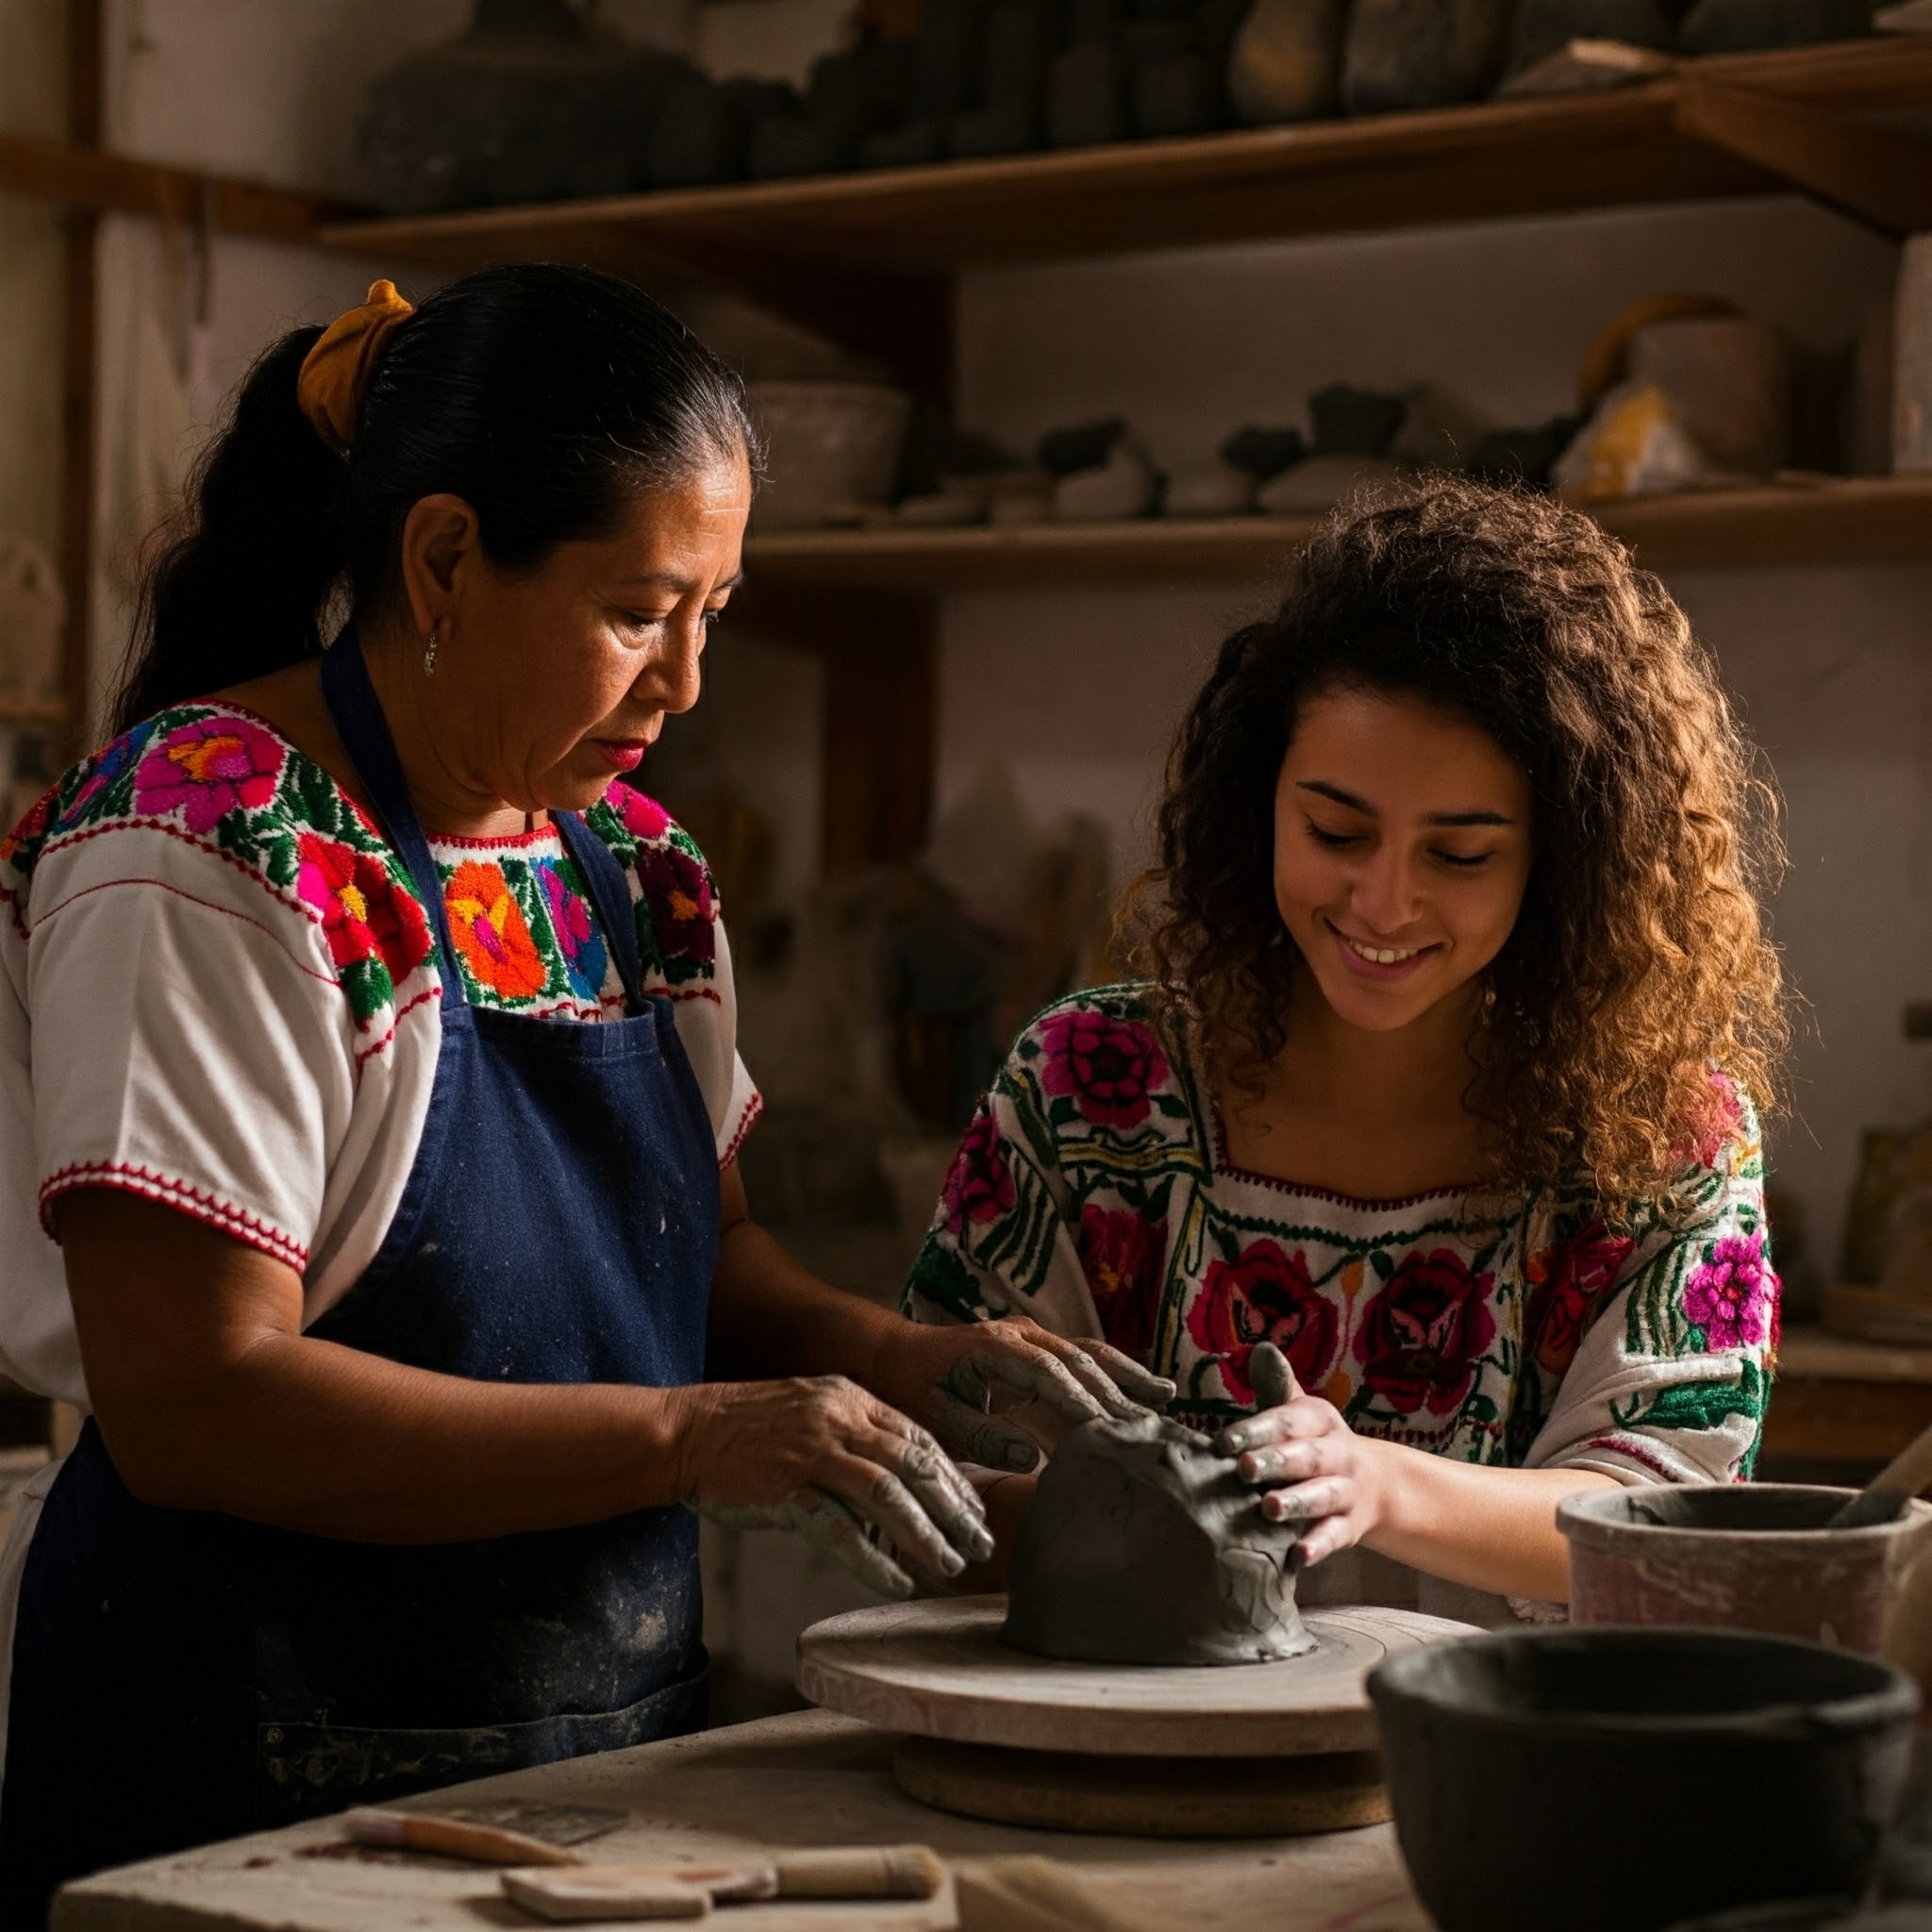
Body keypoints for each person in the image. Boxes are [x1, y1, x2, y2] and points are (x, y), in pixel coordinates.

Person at [0, 266, 1169, 1916]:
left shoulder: (632, 867)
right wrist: (704, 1434)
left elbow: (711, 1265)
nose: (686, 681)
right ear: (444, 560)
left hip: (585, 1744)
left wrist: (906, 1366)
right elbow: (195, 1402)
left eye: (717, 610)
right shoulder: (205, 837)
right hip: (242, 1758)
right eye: (637, 610)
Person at [908, 475, 1787, 1623]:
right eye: (1334, 829)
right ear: (1254, 795)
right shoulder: (1088, 1089)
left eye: (1459, 854)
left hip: (1504, 1777)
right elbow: (951, 1481)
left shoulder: (1664, 1135)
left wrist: (1374, 1482)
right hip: (1139, 1763)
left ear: (1561, 862)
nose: (1382, 902)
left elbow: (1668, 1529)